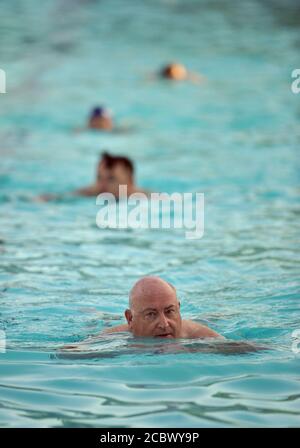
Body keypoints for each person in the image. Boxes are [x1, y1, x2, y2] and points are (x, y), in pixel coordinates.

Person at [102, 276, 222, 339]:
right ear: (130, 319)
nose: (164, 324)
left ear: (178, 309)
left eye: (169, 311)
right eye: (151, 314)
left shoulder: (198, 336)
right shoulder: (114, 338)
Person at [37, 151, 145, 201]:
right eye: (99, 178)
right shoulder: (92, 192)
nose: (103, 185)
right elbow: (58, 197)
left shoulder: (144, 197)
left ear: (130, 181)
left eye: (111, 179)